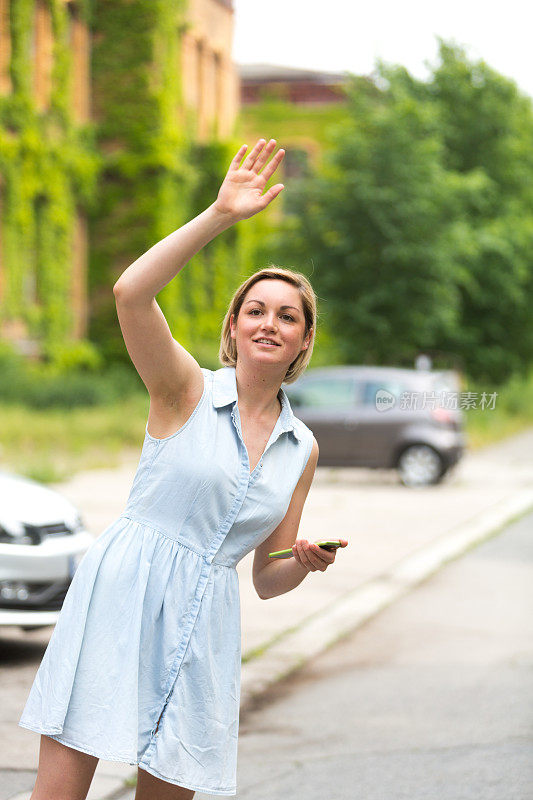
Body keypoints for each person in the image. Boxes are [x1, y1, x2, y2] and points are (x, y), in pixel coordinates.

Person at [19, 138, 349, 800]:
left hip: (208, 622)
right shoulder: (184, 389)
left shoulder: (300, 447)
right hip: (123, 592)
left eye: (286, 316)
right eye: (254, 310)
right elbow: (130, 293)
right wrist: (220, 215)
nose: (268, 322)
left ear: (303, 339)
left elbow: (265, 576)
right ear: (233, 326)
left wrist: (303, 562)